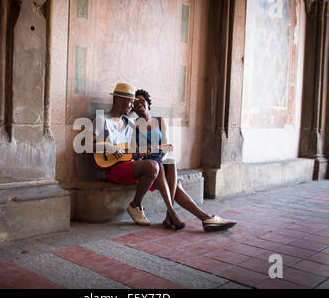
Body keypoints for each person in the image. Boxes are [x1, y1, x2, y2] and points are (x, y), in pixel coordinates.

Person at [133, 89, 237, 232]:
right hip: (148, 166)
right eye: (135, 103)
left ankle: (178, 216)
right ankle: (199, 217)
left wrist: (160, 155)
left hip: (161, 162)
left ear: (147, 102)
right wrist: (144, 152)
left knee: (171, 162)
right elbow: (136, 152)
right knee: (175, 183)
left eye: (141, 101)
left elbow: (168, 147)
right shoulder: (134, 126)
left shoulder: (160, 121)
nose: (139, 104)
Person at [90, 83, 161, 227]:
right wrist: (108, 147)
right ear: (118, 100)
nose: (132, 106)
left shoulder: (130, 123)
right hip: (111, 168)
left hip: (127, 165)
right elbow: (84, 145)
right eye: (130, 102)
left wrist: (139, 153)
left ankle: (171, 214)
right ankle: (136, 205)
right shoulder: (101, 119)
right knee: (153, 167)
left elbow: (131, 153)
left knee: (162, 169)